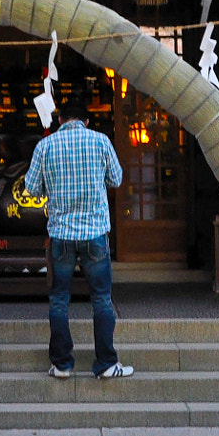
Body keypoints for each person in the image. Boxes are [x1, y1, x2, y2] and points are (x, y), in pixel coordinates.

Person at [23, 94, 133, 379]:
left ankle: (62, 364)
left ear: (60, 121)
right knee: (102, 299)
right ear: (86, 121)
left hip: (60, 234)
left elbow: (31, 189)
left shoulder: (45, 145)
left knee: (59, 300)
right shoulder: (100, 141)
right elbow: (117, 179)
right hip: (95, 232)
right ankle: (106, 363)